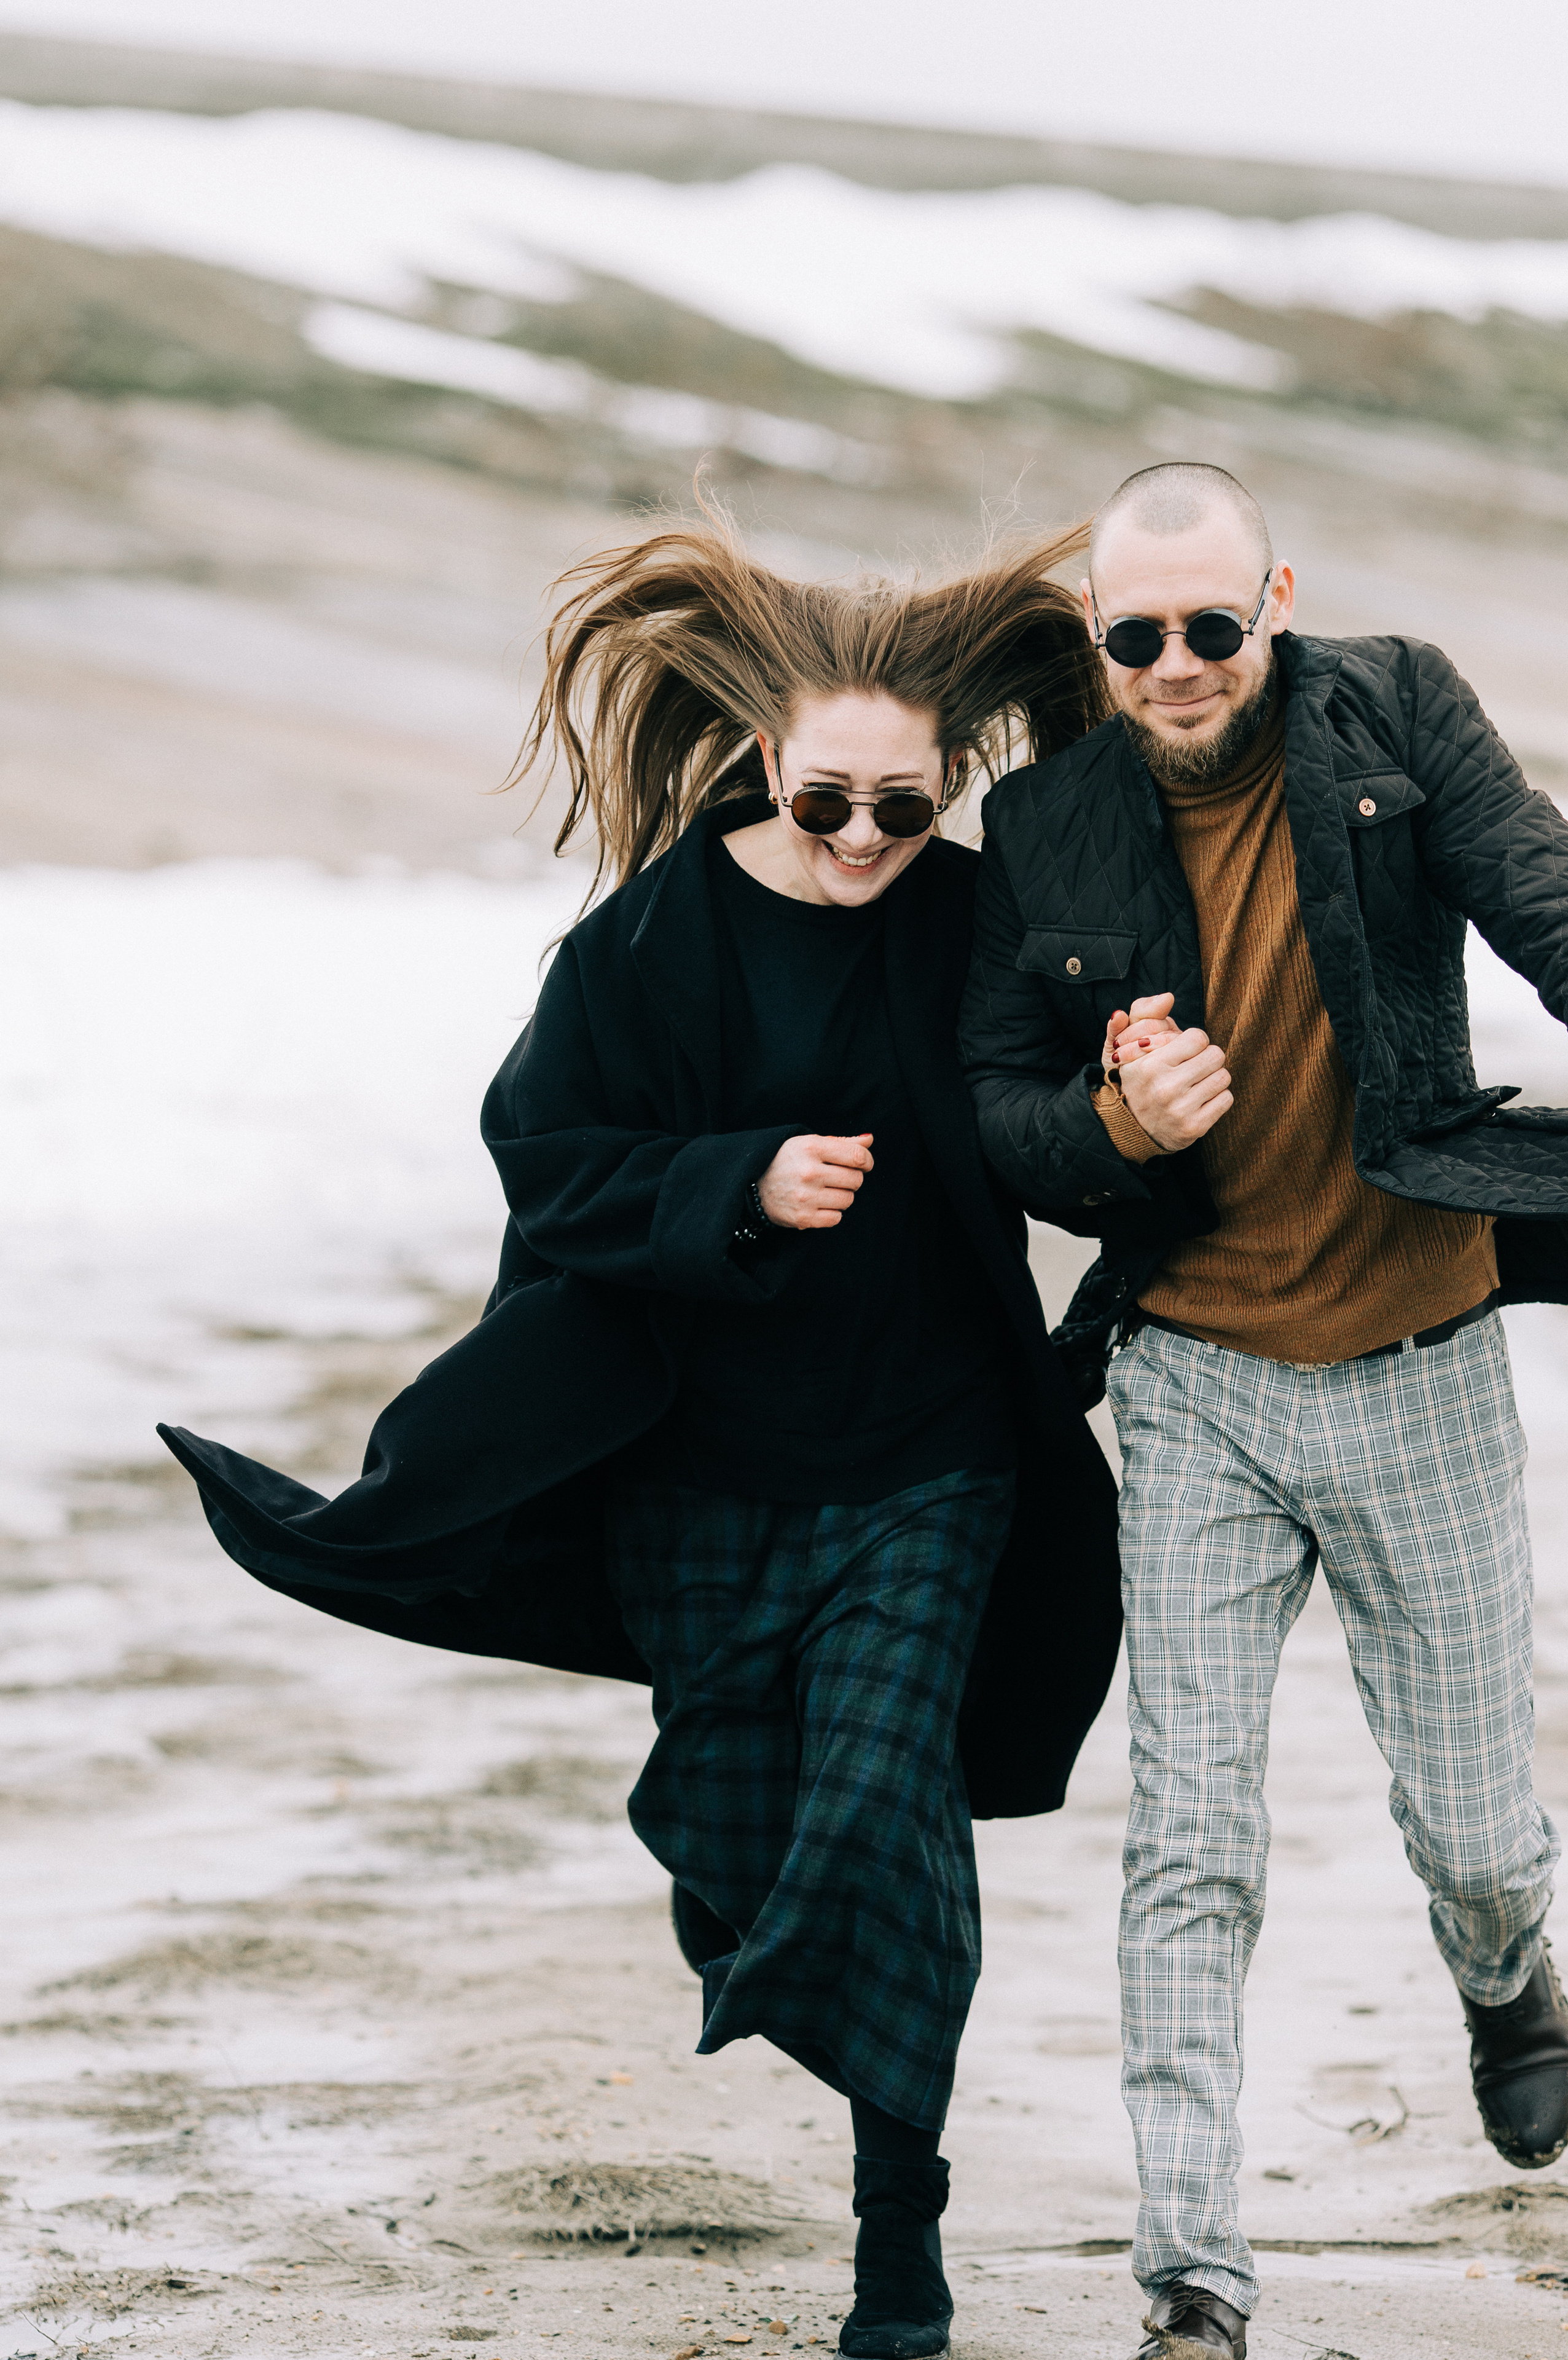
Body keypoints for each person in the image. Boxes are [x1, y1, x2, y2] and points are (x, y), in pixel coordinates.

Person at [159, 516, 1124, 2360]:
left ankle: (897, 2235)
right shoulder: (642, 950)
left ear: (952, 789)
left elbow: (1065, 1111)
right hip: (701, 1472)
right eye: (829, 802)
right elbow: (545, 1167)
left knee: (892, 1811)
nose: (861, 844)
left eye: (904, 813)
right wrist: (733, 1181)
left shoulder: (980, 921)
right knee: (747, 1834)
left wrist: (1134, 1109)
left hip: (935, 1462)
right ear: (768, 762)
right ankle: (761, 1934)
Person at [958, 461, 1568, 2360]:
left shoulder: (1396, 708)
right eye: (1136, 636)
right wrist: (1115, 1126)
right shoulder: (1044, 823)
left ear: (1276, 601)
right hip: (1196, 1385)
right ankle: (1192, 2279)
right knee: (1192, 1839)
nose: (1177, 664)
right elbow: (1004, 1106)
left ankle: (1509, 1979)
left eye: (1212, 625)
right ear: (1098, 643)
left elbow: (1545, 898)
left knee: (1475, 1826)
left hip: (1422, 1355)